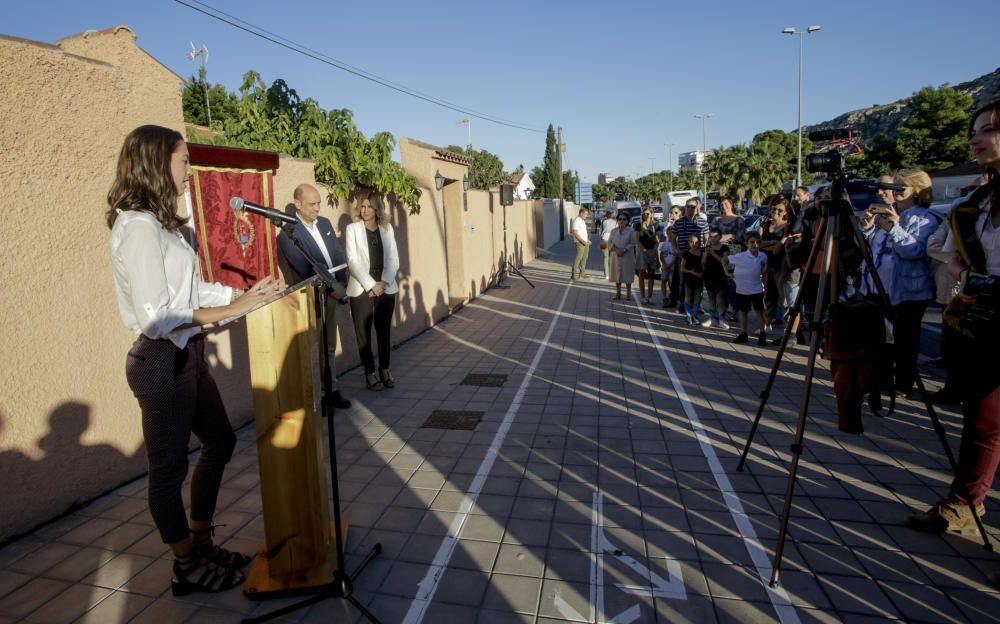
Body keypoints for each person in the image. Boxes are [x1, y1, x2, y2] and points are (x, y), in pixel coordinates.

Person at [107, 125, 285, 595]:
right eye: (184, 161)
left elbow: (190, 292)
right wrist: (232, 310)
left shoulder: (165, 225)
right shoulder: (138, 227)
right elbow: (156, 315)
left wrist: (246, 294)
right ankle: (184, 564)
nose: (190, 171)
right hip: (159, 360)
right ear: (155, 162)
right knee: (167, 471)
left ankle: (201, 540)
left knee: (220, 441)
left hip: (185, 354)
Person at [907, 98, 1000, 536]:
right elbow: (946, 250)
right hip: (984, 318)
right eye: (975, 130)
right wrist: (966, 272)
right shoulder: (976, 202)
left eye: (988, 130)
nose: (975, 138)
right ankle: (966, 502)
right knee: (982, 420)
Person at [276, 184, 351, 409]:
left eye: (319, 203)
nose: (317, 208)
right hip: (312, 297)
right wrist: (332, 286)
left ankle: (332, 390)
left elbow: (338, 255)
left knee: (329, 346)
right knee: (312, 349)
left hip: (333, 294)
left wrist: (341, 284)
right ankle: (315, 399)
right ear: (297, 204)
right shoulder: (289, 233)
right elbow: (304, 267)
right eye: (312, 204)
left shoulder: (325, 224)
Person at [873, 169, 936, 397]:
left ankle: (903, 383)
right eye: (895, 187)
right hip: (885, 286)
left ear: (917, 191)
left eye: (902, 187)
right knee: (884, 336)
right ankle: (882, 378)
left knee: (906, 340)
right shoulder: (891, 212)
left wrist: (894, 227)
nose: (895, 192)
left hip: (912, 291)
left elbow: (914, 250)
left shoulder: (924, 218)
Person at [345, 190, 400, 390]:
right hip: (361, 289)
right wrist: (371, 285)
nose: (366, 210)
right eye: (363, 206)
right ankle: (370, 373)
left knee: (383, 331)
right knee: (363, 334)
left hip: (386, 288)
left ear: (377, 209)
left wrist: (383, 283)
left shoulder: (387, 229)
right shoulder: (352, 229)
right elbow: (353, 261)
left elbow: (394, 259)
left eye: (370, 206)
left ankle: (385, 369)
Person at [729, 232, 768, 345]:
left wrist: (764, 271)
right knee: (744, 312)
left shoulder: (762, 256)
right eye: (752, 242)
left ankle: (762, 333)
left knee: (760, 311)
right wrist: (728, 272)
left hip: (757, 289)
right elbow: (725, 260)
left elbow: (765, 264)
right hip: (742, 289)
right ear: (746, 244)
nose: (755, 244)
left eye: (758, 242)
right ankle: (743, 333)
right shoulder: (740, 256)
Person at [759, 196, 792, 329]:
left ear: (786, 212)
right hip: (767, 265)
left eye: (780, 210)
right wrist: (774, 243)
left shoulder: (787, 226)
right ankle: (766, 326)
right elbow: (758, 243)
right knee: (768, 296)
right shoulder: (765, 225)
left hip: (782, 266)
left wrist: (773, 245)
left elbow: (783, 246)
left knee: (783, 298)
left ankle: (788, 329)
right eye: (774, 208)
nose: (776, 211)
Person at [671, 199, 705, 313]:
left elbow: (707, 238)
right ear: (685, 208)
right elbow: (672, 238)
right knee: (683, 281)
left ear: (697, 208)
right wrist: (676, 250)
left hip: (698, 256)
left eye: (693, 207)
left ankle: (697, 305)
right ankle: (682, 305)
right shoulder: (679, 222)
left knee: (699, 281)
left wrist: (704, 253)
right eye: (688, 206)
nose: (690, 209)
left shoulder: (702, 222)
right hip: (684, 255)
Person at [701, 228, 731, 329]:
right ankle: (712, 318)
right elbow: (703, 264)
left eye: (715, 236)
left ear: (720, 237)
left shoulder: (725, 248)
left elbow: (725, 262)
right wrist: (706, 254)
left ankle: (721, 319)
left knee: (720, 300)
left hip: (721, 277)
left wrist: (713, 253)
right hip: (709, 276)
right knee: (711, 299)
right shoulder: (706, 247)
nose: (712, 239)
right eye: (710, 236)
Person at [608, 212, 636, 300]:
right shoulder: (613, 231)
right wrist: (616, 250)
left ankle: (628, 294)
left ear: (627, 221)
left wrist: (623, 250)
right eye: (620, 219)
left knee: (627, 275)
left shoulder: (631, 231)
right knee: (617, 275)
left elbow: (633, 243)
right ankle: (618, 293)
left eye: (624, 219)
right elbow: (609, 242)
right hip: (615, 256)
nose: (622, 221)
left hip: (627, 256)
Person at [635, 209, 659, 304]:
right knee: (641, 273)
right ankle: (642, 296)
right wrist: (645, 251)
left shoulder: (656, 225)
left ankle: (650, 296)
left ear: (652, 214)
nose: (646, 215)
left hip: (652, 250)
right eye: (644, 213)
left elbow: (657, 240)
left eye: (648, 213)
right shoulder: (638, 225)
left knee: (651, 274)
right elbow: (637, 241)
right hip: (642, 251)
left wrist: (654, 251)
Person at [680, 235, 704, 324]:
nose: (694, 244)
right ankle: (688, 316)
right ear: (688, 243)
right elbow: (681, 268)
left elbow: (703, 266)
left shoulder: (702, 253)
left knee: (697, 299)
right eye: (692, 242)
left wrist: (702, 273)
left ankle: (695, 316)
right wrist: (691, 272)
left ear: (699, 243)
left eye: (696, 242)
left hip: (699, 280)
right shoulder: (686, 254)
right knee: (688, 298)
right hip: (689, 280)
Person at [658, 230, 678, 307]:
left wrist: (671, 264)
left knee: (671, 282)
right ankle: (664, 297)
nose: (670, 235)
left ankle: (672, 297)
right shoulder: (665, 244)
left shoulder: (676, 244)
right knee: (663, 280)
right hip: (665, 265)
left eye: (671, 234)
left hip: (672, 265)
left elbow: (676, 256)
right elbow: (661, 255)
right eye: (668, 234)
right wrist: (664, 263)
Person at [571, 207, 591, 280]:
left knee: (585, 257)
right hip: (579, 242)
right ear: (581, 213)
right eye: (585, 214)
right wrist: (582, 241)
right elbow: (575, 232)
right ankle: (574, 274)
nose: (586, 216)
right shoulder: (577, 221)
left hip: (585, 242)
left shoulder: (582, 221)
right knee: (578, 258)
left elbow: (582, 232)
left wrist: (587, 240)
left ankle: (582, 273)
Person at [600, 209, 616, 279]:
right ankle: (612, 273)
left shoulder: (603, 222)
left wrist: (601, 240)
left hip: (605, 239)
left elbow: (600, 232)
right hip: (613, 240)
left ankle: (606, 274)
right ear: (612, 214)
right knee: (612, 258)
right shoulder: (615, 222)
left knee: (606, 257)